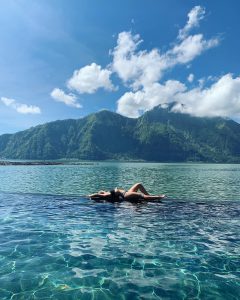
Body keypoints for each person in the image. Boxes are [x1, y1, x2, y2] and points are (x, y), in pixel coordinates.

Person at [88, 183, 166, 202]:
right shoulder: (106, 194)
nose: (103, 191)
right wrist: (90, 195)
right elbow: (98, 195)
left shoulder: (109, 192)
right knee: (140, 195)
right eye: (102, 191)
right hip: (126, 195)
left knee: (139, 184)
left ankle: (149, 196)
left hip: (127, 192)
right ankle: (158, 197)